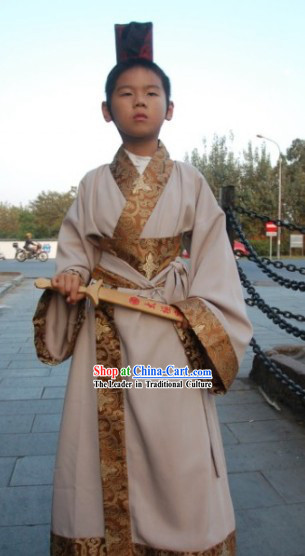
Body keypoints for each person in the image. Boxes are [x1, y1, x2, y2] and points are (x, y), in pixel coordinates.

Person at [33, 22, 252, 556]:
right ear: (107, 109)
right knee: (101, 444)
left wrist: (196, 317)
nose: (139, 102)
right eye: (126, 94)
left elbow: (213, 260)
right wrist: (70, 278)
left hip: (170, 336)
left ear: (169, 109)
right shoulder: (90, 184)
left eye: (151, 94)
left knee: (177, 451)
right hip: (104, 338)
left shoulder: (191, 181)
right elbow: (76, 256)